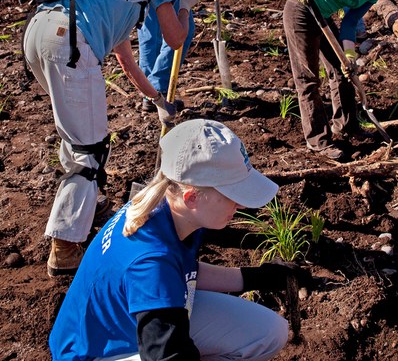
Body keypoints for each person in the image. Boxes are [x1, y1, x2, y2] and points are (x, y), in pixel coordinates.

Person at [49, 118, 296, 361]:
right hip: (96, 353)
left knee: (267, 332)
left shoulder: (165, 207)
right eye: (232, 194)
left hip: (122, 326)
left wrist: (257, 277)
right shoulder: (150, 262)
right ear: (192, 197)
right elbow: (164, 353)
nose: (240, 204)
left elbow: (183, 272)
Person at [24, 0, 200, 277]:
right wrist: (185, 4)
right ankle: (64, 244)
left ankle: (89, 206)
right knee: (90, 148)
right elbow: (175, 38)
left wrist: (158, 99)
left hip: (37, 33)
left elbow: (128, 66)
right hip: (70, 40)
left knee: (76, 132)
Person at [283, 0, 398, 161]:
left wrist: (348, 54)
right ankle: (318, 141)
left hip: (324, 17)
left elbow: (349, 22)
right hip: (301, 9)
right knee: (308, 79)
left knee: (343, 71)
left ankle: (346, 125)